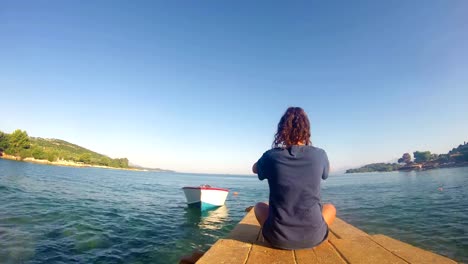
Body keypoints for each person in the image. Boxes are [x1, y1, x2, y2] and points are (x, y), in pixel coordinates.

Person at [252, 107, 336, 250]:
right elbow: (326, 173)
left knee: (259, 206)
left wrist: (267, 162)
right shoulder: (320, 154)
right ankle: (314, 233)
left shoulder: (271, 156)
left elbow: (254, 169)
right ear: (306, 129)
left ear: (282, 129)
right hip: (314, 237)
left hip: (277, 238)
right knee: (330, 208)